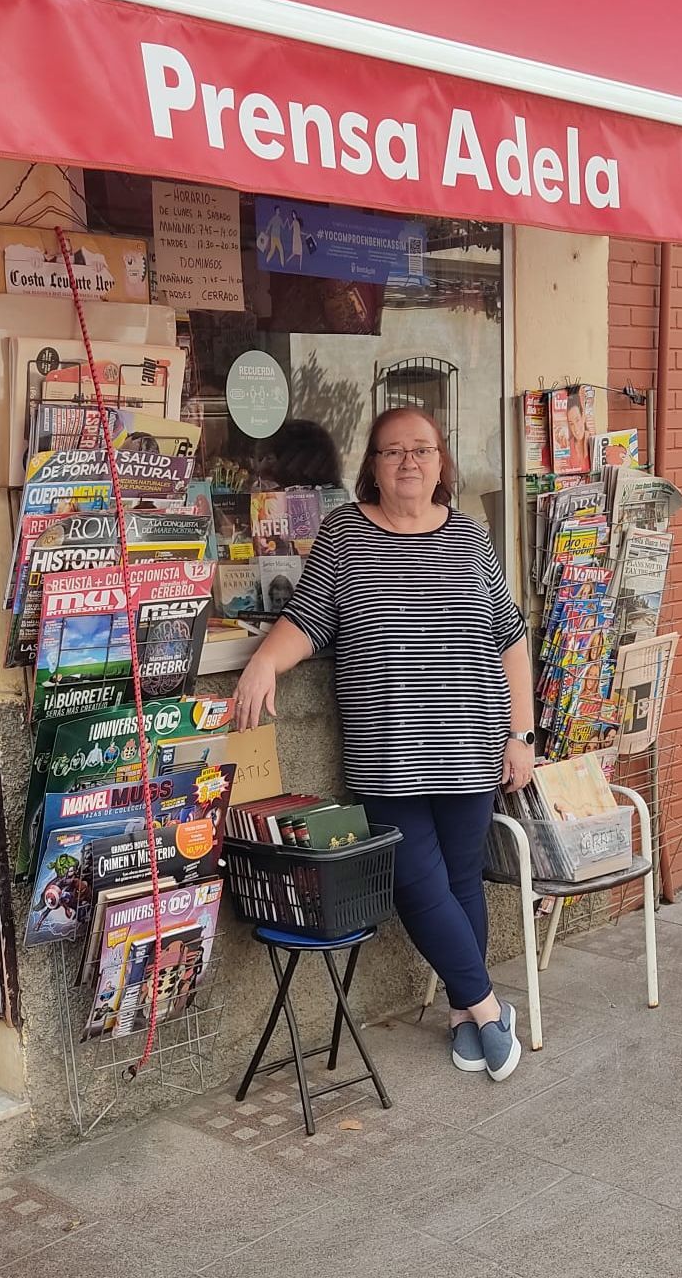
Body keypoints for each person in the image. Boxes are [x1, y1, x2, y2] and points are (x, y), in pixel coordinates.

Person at [236, 407, 535, 1084]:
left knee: (460, 882)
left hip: (469, 743)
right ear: (370, 465)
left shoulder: (470, 540)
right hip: (388, 749)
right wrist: (262, 662)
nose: (408, 462)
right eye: (392, 451)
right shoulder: (344, 535)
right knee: (416, 884)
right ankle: (489, 1009)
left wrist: (519, 736)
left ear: (441, 461)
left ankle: (464, 1016)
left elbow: (509, 637)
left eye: (421, 450)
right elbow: (308, 619)